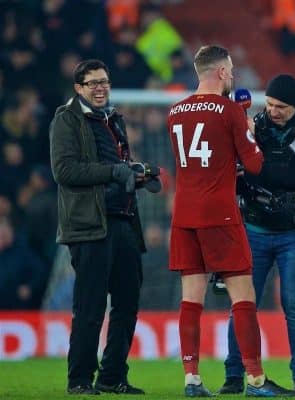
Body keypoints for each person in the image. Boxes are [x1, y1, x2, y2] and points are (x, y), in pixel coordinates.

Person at [166, 45, 295, 398]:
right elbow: (254, 164)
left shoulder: (175, 112)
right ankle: (255, 379)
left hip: (184, 215)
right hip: (219, 213)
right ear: (222, 72)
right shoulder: (228, 110)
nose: (233, 76)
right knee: (243, 296)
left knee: (190, 300)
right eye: (231, 71)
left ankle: (191, 378)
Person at [49, 59, 158, 395]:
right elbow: (65, 171)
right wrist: (114, 173)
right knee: (91, 305)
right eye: (93, 83)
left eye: (104, 82)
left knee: (127, 302)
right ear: (78, 87)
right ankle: (79, 379)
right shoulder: (66, 120)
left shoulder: (113, 118)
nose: (100, 88)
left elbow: (116, 168)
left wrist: (135, 176)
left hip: (123, 221)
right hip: (90, 225)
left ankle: (112, 376)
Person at [219, 74, 295, 395]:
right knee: (242, 303)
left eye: (281, 106)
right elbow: (237, 169)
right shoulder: (252, 126)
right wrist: (248, 144)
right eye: (269, 105)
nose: (273, 111)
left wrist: (260, 168)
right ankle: (233, 375)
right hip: (254, 227)